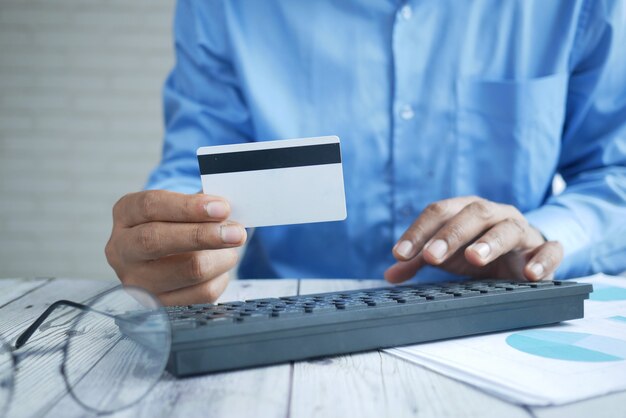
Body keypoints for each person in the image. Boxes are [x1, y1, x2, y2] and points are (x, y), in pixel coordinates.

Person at [105, 1, 626, 306]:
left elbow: (614, 173)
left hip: (500, 322)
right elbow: (201, 171)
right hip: (289, 326)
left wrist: (547, 238)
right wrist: (173, 243)